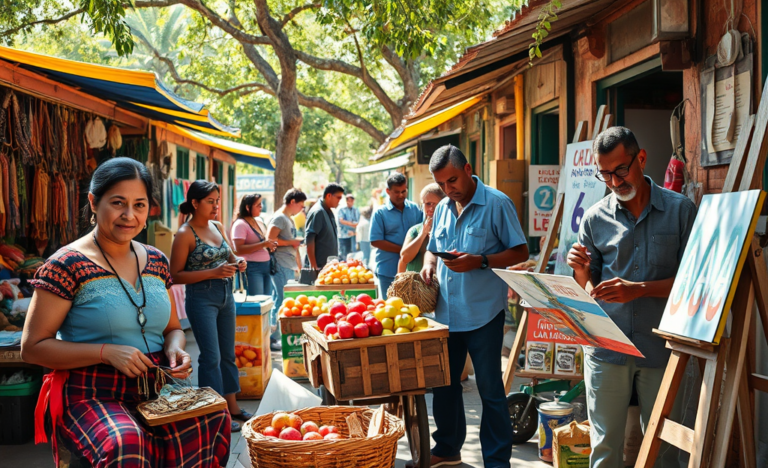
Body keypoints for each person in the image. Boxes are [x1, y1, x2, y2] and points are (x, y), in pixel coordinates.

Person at [22, 158, 230, 467]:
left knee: (213, 416)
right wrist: (106, 352)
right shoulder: (65, 264)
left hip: (158, 385)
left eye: (139, 205)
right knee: (127, 443)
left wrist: (176, 349)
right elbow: (32, 348)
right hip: (92, 390)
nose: (129, 215)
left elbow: (173, 328)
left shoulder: (157, 261)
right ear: (94, 202)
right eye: (118, 203)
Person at [567, 127, 696, 468]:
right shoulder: (594, 219)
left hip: (663, 348)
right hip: (607, 349)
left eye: (621, 170)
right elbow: (588, 292)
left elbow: (695, 283)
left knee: (663, 450)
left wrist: (639, 289)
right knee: (605, 448)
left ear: (641, 159)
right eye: (605, 174)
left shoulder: (681, 211)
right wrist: (580, 272)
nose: (613, 181)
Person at [418, 145, 529, 468]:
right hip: (446, 315)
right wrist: (428, 264)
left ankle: (496, 461)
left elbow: (520, 252)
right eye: (441, 184)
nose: (448, 189)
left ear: (468, 169)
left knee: (490, 390)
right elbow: (433, 248)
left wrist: (480, 261)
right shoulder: (442, 208)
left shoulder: (497, 203)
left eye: (452, 180)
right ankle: (447, 448)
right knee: (444, 386)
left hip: (484, 315)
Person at [169, 180, 252, 433]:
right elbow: (175, 275)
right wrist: (213, 272)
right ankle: (214, 415)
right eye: (210, 201)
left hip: (227, 295)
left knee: (228, 354)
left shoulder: (217, 226)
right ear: (195, 203)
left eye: (217, 201)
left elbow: (230, 255)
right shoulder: (185, 233)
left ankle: (232, 407)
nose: (216, 206)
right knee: (211, 357)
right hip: (201, 298)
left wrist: (239, 261)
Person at [370, 173, 422, 299]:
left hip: (413, 271)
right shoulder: (380, 213)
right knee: (390, 306)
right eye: (396, 192)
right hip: (388, 270)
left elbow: (422, 232)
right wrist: (405, 251)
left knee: (412, 308)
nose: (401, 195)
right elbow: (376, 241)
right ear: (388, 191)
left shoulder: (414, 209)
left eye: (403, 191)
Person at [267, 188, 307, 350]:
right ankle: (273, 337)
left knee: (282, 299)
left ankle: (276, 335)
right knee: (282, 300)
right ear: (292, 202)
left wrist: (298, 264)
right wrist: (291, 243)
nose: (302, 209)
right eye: (301, 205)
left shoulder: (288, 219)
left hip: (288, 264)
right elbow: (270, 240)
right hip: (280, 263)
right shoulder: (279, 218)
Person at [231, 194, 278, 296]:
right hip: (252, 267)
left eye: (261, 204)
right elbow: (238, 249)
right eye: (258, 205)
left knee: (268, 299)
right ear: (248, 207)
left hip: (266, 265)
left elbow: (262, 242)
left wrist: (269, 245)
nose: (261, 207)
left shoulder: (258, 221)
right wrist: (263, 244)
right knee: (257, 299)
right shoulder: (240, 224)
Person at [398, 183, 445, 273]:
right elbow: (404, 258)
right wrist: (423, 233)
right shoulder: (415, 231)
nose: (431, 208)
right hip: (416, 280)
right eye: (428, 204)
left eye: (435, 204)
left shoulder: (448, 230)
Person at [304, 184, 344, 271]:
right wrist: (313, 266)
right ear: (329, 196)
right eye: (338, 197)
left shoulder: (328, 210)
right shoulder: (318, 212)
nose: (339, 201)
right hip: (318, 267)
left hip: (328, 267)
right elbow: (309, 239)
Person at [337, 194, 360, 261]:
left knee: (352, 254)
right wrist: (351, 223)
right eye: (348, 200)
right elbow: (341, 221)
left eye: (351, 200)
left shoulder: (356, 210)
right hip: (343, 235)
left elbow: (357, 222)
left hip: (352, 235)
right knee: (343, 254)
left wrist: (348, 223)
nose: (350, 202)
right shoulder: (342, 209)